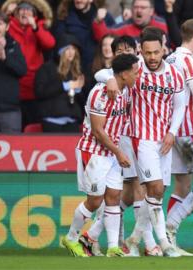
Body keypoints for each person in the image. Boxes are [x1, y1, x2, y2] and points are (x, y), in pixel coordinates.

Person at [81, 35, 163, 257]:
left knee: (124, 194)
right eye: (119, 51)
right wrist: (108, 77)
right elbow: (103, 74)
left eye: (128, 50)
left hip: (138, 134)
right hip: (122, 138)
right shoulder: (111, 78)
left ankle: (92, 237)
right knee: (132, 189)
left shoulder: (142, 69)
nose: (124, 53)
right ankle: (145, 242)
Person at [62, 53, 140, 257]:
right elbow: (98, 131)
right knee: (95, 200)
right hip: (94, 152)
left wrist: (116, 152)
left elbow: (103, 73)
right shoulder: (100, 94)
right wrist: (119, 152)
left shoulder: (125, 90)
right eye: (134, 72)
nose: (137, 75)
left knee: (114, 197)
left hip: (111, 154)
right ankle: (70, 238)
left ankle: (113, 247)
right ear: (123, 74)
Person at [120, 27, 186, 257]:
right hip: (141, 137)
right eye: (148, 53)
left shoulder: (175, 74)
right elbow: (107, 73)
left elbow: (180, 105)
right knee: (155, 188)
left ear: (163, 49)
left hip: (164, 140)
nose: (152, 57)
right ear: (141, 51)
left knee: (158, 192)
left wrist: (172, 132)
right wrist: (109, 81)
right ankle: (164, 244)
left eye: (156, 52)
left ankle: (134, 239)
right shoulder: (134, 68)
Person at [163, 19, 193, 257]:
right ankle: (170, 226)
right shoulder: (188, 59)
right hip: (191, 130)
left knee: (182, 184)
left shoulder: (170, 58)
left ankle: (167, 240)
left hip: (173, 129)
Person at [2, 0, 56, 128]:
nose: (25, 12)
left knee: (33, 125)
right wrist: (5, 13)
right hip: (13, 84)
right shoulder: (8, 25)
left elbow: (50, 43)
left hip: (33, 84)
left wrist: (36, 28)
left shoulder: (38, 26)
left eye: (28, 10)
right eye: (21, 9)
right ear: (15, 13)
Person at [34, 34, 84, 133]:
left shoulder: (76, 71)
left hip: (72, 121)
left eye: (73, 49)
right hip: (52, 121)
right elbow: (40, 92)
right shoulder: (46, 68)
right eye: (67, 48)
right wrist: (66, 85)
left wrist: (79, 90)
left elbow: (82, 102)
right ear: (60, 51)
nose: (71, 52)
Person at [55, 0, 115, 69]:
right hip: (74, 69)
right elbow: (59, 44)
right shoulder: (64, 16)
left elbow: (114, 40)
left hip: (99, 68)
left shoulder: (104, 16)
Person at [92, 0, 168, 41]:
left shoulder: (163, 25)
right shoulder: (122, 28)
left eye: (143, 7)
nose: (138, 10)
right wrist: (98, 22)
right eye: (136, 7)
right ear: (131, 9)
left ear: (151, 11)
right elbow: (104, 38)